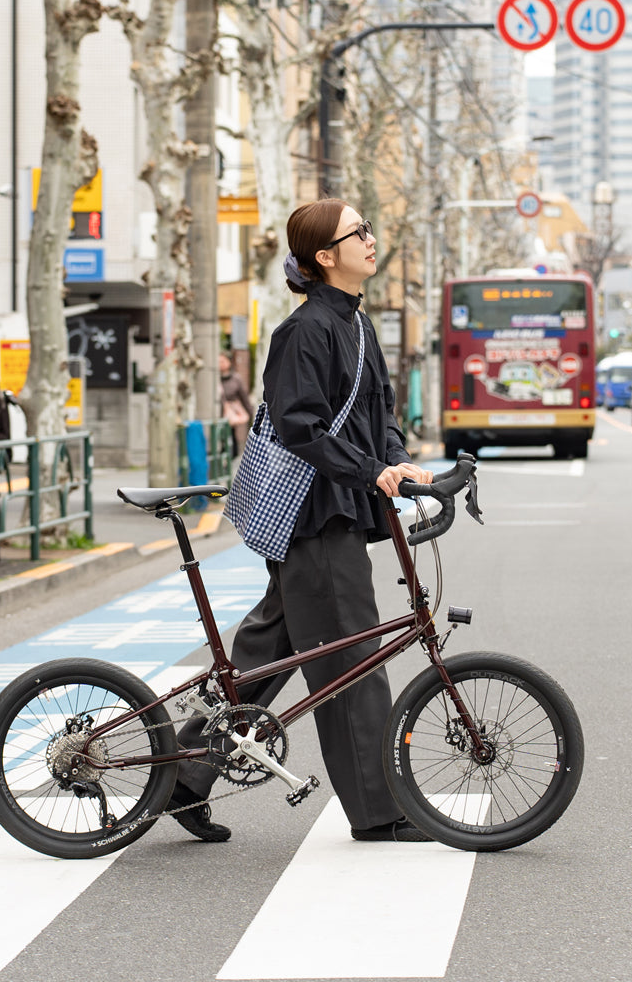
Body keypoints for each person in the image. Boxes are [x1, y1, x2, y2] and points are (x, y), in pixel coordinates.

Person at [168, 199, 434, 843]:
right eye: (358, 233)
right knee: (351, 661)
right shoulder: (304, 331)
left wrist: (400, 462)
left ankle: (179, 779)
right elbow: (299, 427)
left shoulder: (359, 325)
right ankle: (380, 811)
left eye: (369, 229)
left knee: (265, 652)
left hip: (337, 510)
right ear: (325, 256)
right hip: (315, 518)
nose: (372, 240)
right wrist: (369, 471)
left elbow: (379, 418)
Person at [218, 350, 254, 456]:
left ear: (229, 362)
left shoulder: (236, 379)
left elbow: (244, 397)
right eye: (218, 361)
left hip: (230, 413)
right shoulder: (214, 379)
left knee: (231, 435)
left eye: (223, 361)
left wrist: (251, 413)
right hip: (217, 413)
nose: (220, 364)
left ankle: (231, 458)